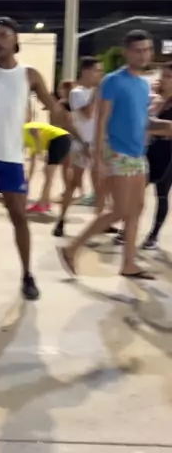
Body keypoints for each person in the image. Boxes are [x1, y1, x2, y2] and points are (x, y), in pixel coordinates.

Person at [0, 17, 64, 301]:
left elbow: (54, 108)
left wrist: (79, 136)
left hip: (11, 158)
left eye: (3, 35)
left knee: (19, 217)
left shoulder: (30, 75)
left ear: (16, 39)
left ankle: (27, 275)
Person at [58, 30, 172, 279]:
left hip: (138, 153)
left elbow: (142, 121)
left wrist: (165, 126)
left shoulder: (143, 84)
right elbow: (101, 120)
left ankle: (128, 263)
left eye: (147, 50)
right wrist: (99, 158)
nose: (144, 55)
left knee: (137, 208)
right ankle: (72, 248)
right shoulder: (113, 81)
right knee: (120, 210)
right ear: (126, 53)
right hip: (118, 152)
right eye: (138, 51)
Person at [54, 58, 103, 237]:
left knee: (100, 185)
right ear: (86, 71)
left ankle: (101, 222)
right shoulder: (77, 92)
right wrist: (97, 93)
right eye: (97, 71)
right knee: (73, 183)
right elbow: (87, 113)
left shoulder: (96, 93)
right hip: (81, 143)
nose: (100, 75)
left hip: (96, 144)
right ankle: (61, 220)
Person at [141, 62, 172, 250]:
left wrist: (151, 126)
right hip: (150, 148)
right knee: (136, 191)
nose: (163, 80)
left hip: (168, 152)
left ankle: (153, 235)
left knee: (161, 193)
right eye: (163, 76)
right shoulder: (156, 99)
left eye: (168, 76)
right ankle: (127, 229)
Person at [24, 122, 72, 213]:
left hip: (59, 139)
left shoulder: (24, 130)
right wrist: (27, 181)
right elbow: (33, 163)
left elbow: (35, 131)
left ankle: (42, 205)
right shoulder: (28, 141)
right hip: (60, 139)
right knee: (48, 174)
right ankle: (46, 202)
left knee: (49, 175)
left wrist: (40, 152)